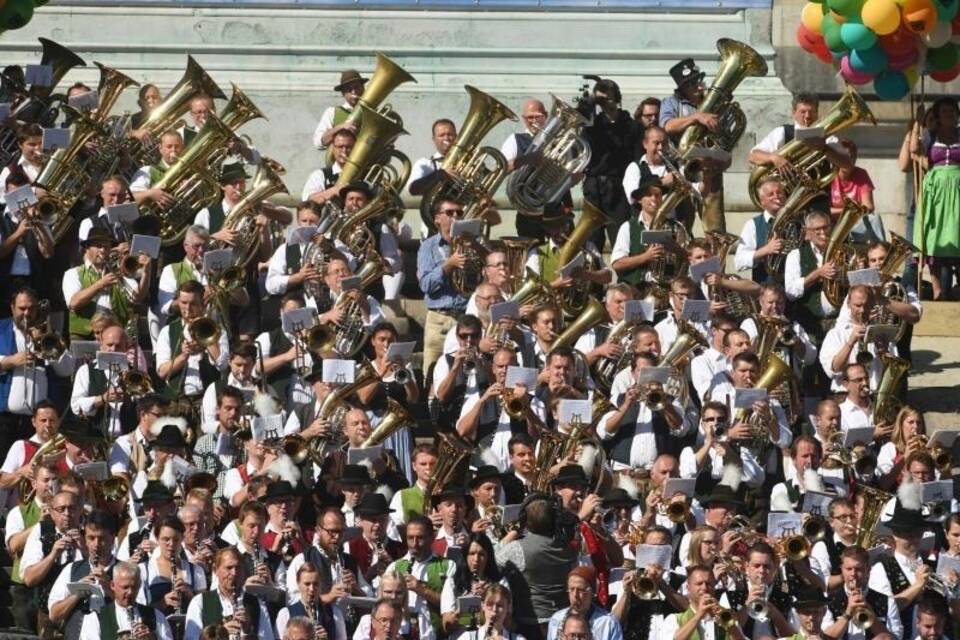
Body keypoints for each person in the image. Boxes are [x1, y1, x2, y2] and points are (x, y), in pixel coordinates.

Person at [660, 58, 730, 233]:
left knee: (715, 229)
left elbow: (725, 136)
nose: (698, 86)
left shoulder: (713, 103)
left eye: (698, 81)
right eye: (691, 84)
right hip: (682, 170)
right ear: (682, 88)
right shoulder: (671, 102)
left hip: (709, 169)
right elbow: (667, 125)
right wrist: (696, 117)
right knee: (682, 227)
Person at [579, 78, 641, 249]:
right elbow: (583, 142)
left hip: (618, 188)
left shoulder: (632, 126)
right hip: (594, 186)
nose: (606, 102)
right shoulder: (592, 125)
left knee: (620, 239)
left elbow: (637, 159)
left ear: (617, 97)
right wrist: (591, 104)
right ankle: (592, 273)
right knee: (591, 242)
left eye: (609, 98)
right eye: (601, 99)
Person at [909, 97, 960, 300]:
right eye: (945, 112)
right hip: (935, 191)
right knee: (934, 236)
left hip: (957, 189)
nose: (950, 115)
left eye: (953, 111)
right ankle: (937, 290)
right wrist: (917, 123)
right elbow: (914, 150)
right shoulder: (931, 135)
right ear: (938, 116)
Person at [417, 198, 469, 377]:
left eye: (459, 213)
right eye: (450, 213)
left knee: (464, 374)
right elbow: (425, 285)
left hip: (465, 319)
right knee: (431, 374)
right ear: (437, 219)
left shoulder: (470, 244)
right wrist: (449, 265)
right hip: (439, 319)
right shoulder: (428, 246)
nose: (455, 216)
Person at [77, 561, 174, 640]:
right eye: (125, 587)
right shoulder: (95, 618)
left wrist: (152, 638)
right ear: (112, 585)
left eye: (134, 587)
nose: (130, 592)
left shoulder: (156, 616)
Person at [829, 139, 883, 244]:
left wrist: (849, 212)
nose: (848, 160)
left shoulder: (861, 174)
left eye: (851, 156)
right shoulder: (829, 176)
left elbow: (869, 207)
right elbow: (825, 211)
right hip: (833, 225)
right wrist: (848, 210)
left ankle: (881, 252)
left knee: (874, 219)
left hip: (854, 225)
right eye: (843, 156)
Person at [545, 567, 623, 640]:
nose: (575, 595)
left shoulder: (608, 623)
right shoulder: (557, 619)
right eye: (571, 589)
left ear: (593, 592)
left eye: (581, 590)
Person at [313, 69, 366, 152]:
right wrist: (339, 127)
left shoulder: (374, 113)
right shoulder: (331, 112)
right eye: (349, 89)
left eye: (357, 87)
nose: (354, 92)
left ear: (363, 88)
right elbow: (318, 143)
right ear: (343, 93)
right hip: (342, 163)